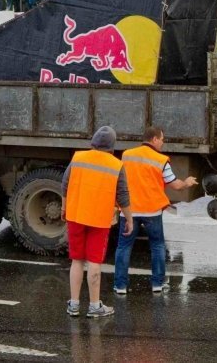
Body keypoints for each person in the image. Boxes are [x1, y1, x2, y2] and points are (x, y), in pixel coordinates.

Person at [113, 127, 197, 295]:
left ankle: (120, 286)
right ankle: (157, 284)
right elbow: (175, 185)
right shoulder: (160, 160)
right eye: (162, 139)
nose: (163, 142)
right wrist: (187, 182)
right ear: (153, 139)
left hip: (129, 210)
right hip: (152, 211)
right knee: (157, 246)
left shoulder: (127, 155)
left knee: (123, 247)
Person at [62, 126, 133, 319]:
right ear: (111, 146)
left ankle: (74, 305)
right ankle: (94, 306)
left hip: (76, 215)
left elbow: (65, 184)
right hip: (99, 218)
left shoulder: (78, 158)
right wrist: (129, 219)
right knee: (94, 262)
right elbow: (123, 196)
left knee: (77, 260)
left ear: (93, 142)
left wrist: (63, 207)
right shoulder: (116, 165)